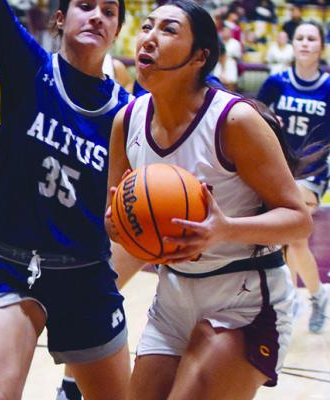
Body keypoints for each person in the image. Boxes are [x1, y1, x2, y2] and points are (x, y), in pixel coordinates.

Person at [105, 1, 315, 398]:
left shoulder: (233, 122)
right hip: (174, 298)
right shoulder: (126, 121)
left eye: (168, 30)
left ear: (199, 56)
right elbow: (115, 220)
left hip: (244, 300)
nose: (149, 36)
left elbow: (299, 219)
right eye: (147, 26)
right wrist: (118, 226)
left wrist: (226, 229)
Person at [0, 0, 136, 399]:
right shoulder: (28, 68)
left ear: (116, 31)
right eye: (86, 6)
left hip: (87, 275)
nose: (96, 16)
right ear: (60, 19)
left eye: (109, 12)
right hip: (10, 266)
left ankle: (71, 388)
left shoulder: (128, 116)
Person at [257, 21, 330, 334]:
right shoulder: (276, 82)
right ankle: (316, 296)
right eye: (299, 38)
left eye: (311, 38)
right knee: (279, 241)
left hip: (313, 171)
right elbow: (252, 115)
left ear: (320, 47)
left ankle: (294, 299)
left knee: (295, 236)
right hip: (279, 166)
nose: (304, 43)